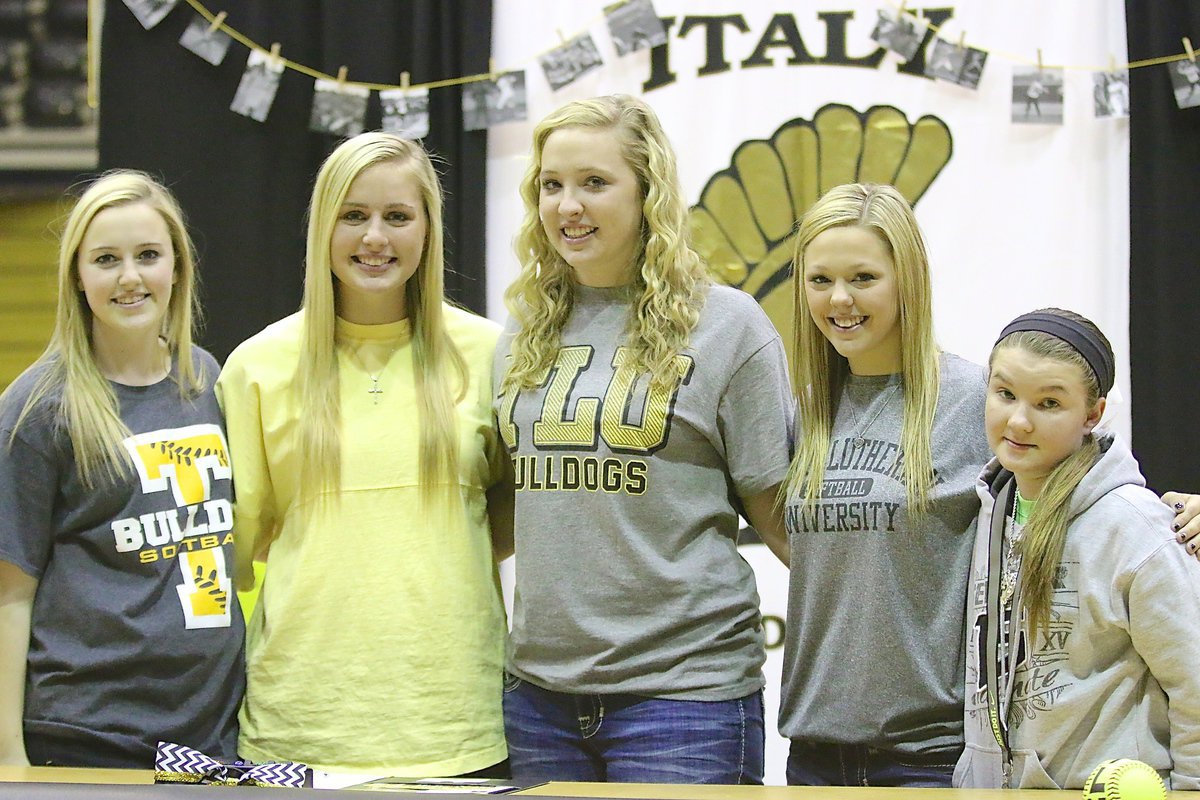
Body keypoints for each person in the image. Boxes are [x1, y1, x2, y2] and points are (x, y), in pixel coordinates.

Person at [778, 183, 1199, 787]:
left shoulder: (981, 400)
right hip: (813, 746)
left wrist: (1182, 512)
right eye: (820, 281)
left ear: (908, 280)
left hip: (934, 750)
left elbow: (1095, 484)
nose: (840, 299)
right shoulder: (809, 412)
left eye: (864, 277)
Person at [494, 94, 792, 784]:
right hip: (537, 698)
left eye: (595, 183)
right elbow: (518, 507)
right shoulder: (519, 330)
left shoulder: (727, 326)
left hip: (683, 700)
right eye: (552, 184)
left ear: (649, 191)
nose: (569, 205)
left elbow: (778, 516)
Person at [216, 132, 511, 776]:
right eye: (354, 216)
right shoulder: (256, 367)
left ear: (427, 230)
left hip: (456, 719)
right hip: (299, 722)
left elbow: (509, 513)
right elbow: (241, 543)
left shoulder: (494, 355)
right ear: (323, 227)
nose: (374, 237)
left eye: (397, 217)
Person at [0, 170, 244, 767]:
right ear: (78, 278)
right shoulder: (35, 410)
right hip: (89, 741)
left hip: (210, 737)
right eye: (106, 259)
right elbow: (8, 597)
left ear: (177, 268)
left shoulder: (208, 378)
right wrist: (8, 760)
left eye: (148, 255)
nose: (129, 277)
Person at [955, 308, 1200, 790]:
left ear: (1093, 413)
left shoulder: (1133, 525)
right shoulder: (990, 508)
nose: (1019, 421)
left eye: (1049, 403)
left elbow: (1194, 680)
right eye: (1005, 394)